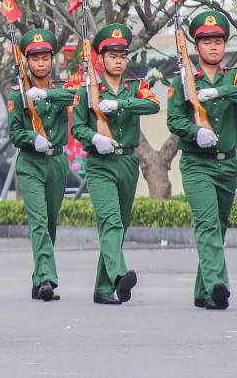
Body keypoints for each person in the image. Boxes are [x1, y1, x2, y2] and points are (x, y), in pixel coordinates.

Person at [166, 11, 237, 310]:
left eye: (218, 41)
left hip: (227, 163)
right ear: (197, 46)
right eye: (206, 42)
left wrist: (216, 92)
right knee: (206, 223)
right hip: (197, 163)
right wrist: (194, 131)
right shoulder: (182, 81)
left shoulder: (235, 76)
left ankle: (203, 291)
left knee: (219, 225)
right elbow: (174, 121)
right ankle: (218, 283)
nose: (213, 47)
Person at [72, 23, 160, 305]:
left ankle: (102, 288)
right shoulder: (88, 89)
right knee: (110, 222)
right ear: (101, 58)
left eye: (122, 55)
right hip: (100, 164)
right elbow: (77, 128)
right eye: (112, 55)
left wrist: (121, 105)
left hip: (127, 162)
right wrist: (95, 137)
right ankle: (120, 275)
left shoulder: (135, 87)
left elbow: (153, 105)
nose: (118, 60)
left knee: (119, 225)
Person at [6, 28, 74, 303]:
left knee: (51, 222)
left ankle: (38, 277)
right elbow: (14, 133)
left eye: (46, 57)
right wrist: (32, 137)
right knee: (39, 222)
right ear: (27, 61)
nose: (42, 63)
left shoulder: (60, 90)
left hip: (57, 161)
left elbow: (77, 98)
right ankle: (47, 278)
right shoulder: (16, 95)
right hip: (31, 163)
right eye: (35, 58)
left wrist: (46, 96)